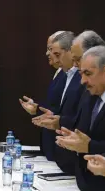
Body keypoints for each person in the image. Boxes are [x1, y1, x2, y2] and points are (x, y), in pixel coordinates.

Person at [55, 46, 105, 191]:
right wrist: (76, 140)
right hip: (93, 188)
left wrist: (89, 146)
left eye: (88, 74)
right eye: (81, 74)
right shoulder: (93, 96)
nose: (82, 81)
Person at [32, 31, 86, 174]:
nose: (52, 57)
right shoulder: (64, 74)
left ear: (70, 51)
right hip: (60, 152)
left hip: (77, 155)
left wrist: (60, 121)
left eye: (57, 54)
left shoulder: (81, 78)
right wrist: (50, 115)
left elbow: (81, 116)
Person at [19, 31, 67, 160]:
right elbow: (54, 106)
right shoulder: (59, 72)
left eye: (51, 49)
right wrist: (37, 108)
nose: (47, 53)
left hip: (62, 145)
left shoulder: (71, 74)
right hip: (50, 145)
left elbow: (65, 109)